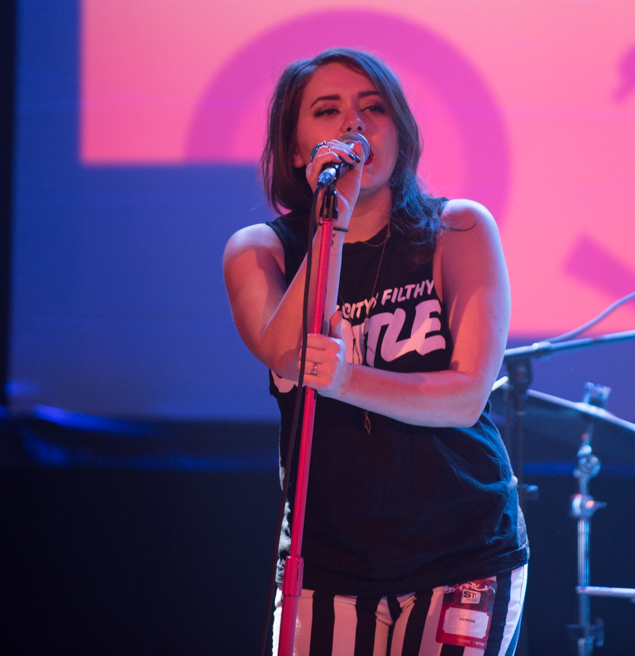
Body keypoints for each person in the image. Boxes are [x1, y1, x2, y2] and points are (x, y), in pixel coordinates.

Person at [223, 48, 528, 656]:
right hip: (327, 555)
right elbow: (286, 356)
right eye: (327, 110)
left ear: (402, 131)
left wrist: (345, 378)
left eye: (373, 108)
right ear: (294, 148)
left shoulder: (458, 229)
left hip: (461, 546)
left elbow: (465, 397)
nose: (353, 125)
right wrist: (330, 223)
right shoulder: (260, 251)